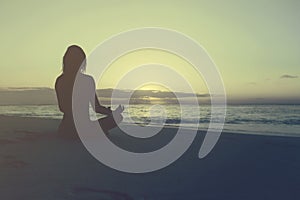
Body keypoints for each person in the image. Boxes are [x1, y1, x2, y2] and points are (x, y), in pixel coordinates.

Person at [55, 45, 124, 139]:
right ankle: (96, 133)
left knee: (117, 117)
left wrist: (112, 112)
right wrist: (112, 113)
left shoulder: (60, 80)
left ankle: (95, 133)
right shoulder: (87, 81)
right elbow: (96, 107)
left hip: (66, 129)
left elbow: (62, 108)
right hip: (83, 129)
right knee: (118, 118)